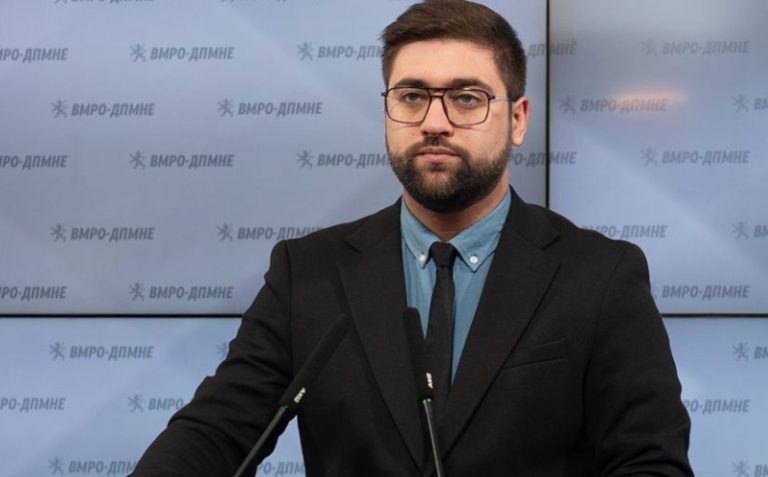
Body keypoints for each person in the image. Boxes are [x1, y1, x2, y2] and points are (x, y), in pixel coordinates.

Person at [130, 1, 693, 475]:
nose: (434, 122)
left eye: (467, 98)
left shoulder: (600, 275)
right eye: (412, 96)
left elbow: (649, 463)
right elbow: (216, 431)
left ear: (518, 119)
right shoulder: (309, 273)